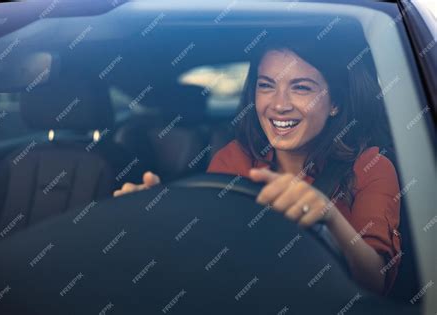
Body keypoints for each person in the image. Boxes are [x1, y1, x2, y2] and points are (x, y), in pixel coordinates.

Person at [113, 38, 401, 295]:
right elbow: (208, 252)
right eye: (266, 86)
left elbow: (376, 281)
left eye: (300, 88)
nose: (278, 105)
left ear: (335, 102)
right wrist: (152, 220)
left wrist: (328, 216)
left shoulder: (370, 166)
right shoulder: (234, 158)